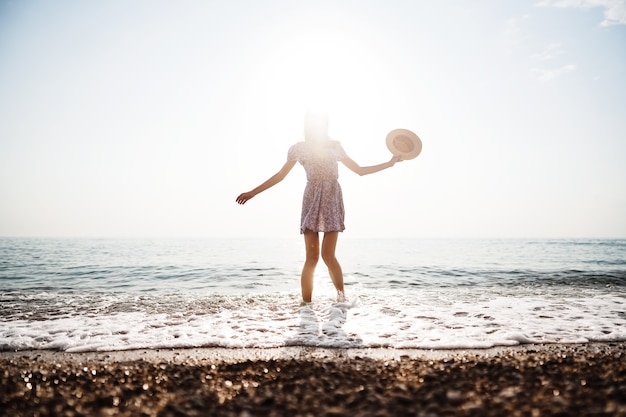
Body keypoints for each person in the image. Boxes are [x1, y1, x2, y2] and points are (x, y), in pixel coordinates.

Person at [236, 112, 401, 303]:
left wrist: (389, 164)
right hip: (311, 199)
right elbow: (280, 176)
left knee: (328, 256)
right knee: (312, 258)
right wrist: (253, 192)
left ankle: (341, 299)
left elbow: (360, 171)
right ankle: (306, 306)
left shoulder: (335, 147)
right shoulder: (298, 149)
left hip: (332, 197)